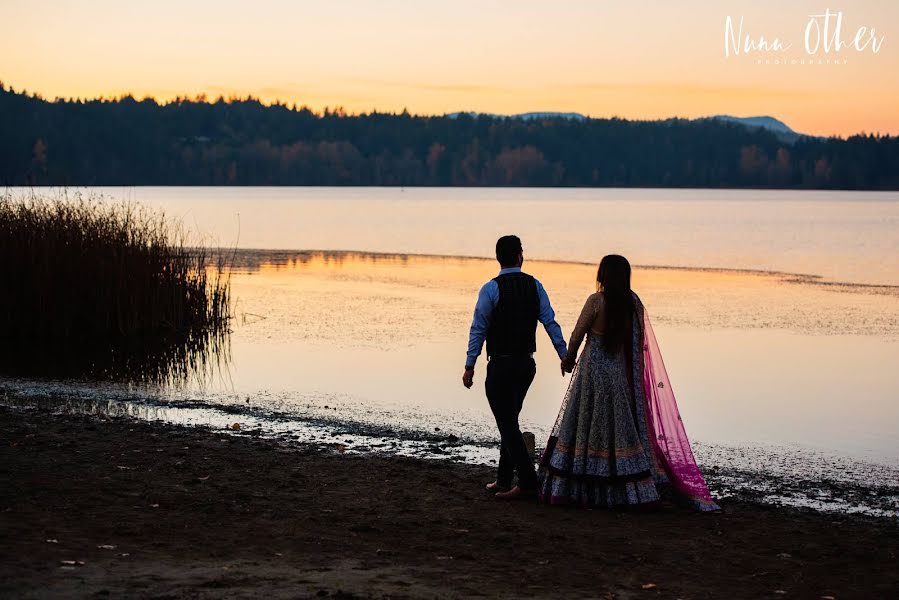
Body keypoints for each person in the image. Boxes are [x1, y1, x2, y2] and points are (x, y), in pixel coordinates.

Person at [538, 254, 719, 511]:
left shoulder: (596, 301)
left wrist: (567, 360)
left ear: (603, 275)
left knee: (587, 423)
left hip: (592, 373)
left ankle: (582, 483)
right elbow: (639, 346)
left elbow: (578, 335)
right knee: (616, 427)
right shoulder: (634, 305)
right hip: (618, 374)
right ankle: (622, 483)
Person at [462, 235, 568, 500]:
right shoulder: (535, 285)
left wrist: (470, 364)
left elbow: (479, 328)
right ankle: (503, 479)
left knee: (507, 422)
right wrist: (563, 354)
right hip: (526, 365)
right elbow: (550, 322)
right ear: (520, 256)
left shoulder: (490, 289)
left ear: (499, 258)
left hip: (501, 365)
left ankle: (527, 481)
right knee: (509, 420)